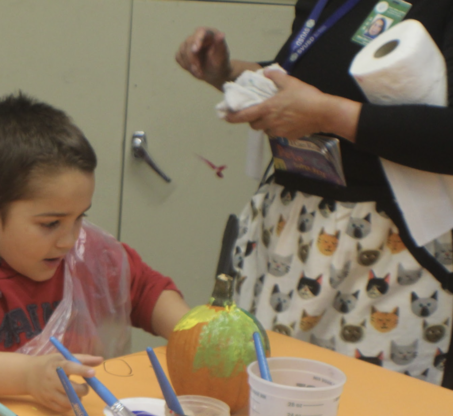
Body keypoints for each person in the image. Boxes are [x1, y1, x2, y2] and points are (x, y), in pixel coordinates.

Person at [176, 0, 453, 389]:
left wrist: (328, 115)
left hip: (387, 252)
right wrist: (230, 73)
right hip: (288, 237)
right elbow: (310, 82)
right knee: (259, 395)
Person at [0, 93, 189, 412]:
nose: (70, 240)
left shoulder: (87, 255)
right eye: (51, 223)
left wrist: (196, 336)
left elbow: (146, 290)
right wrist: (29, 376)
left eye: (80, 217)